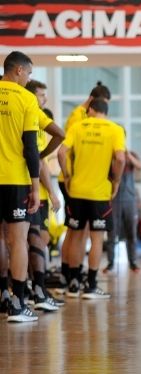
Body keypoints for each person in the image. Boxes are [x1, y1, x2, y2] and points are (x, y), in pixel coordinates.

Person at [57, 98, 125, 299]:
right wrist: (116, 181)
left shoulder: (78, 126)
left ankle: (73, 284)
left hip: (76, 191)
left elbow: (61, 152)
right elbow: (120, 158)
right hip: (99, 193)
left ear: (91, 110)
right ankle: (92, 286)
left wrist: (67, 175)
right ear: (105, 111)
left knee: (76, 237)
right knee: (96, 239)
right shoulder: (115, 129)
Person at [0, 51, 41, 321]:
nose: (28, 79)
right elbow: (31, 146)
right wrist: (36, 187)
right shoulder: (26, 99)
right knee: (18, 243)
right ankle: (18, 303)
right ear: (18, 71)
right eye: (28, 74)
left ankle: (3, 293)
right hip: (14, 180)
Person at [25, 79, 65, 310]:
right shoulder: (31, 117)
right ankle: (37, 291)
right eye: (41, 95)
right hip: (28, 189)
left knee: (26, 239)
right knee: (35, 237)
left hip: (24, 187)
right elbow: (38, 161)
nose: (45, 99)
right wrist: (49, 192)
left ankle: (27, 290)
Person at [104, 150, 141, 272]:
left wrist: (129, 156)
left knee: (131, 232)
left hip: (129, 200)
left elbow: (140, 167)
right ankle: (110, 264)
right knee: (111, 232)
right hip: (113, 199)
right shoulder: (109, 156)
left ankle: (133, 262)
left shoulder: (131, 154)